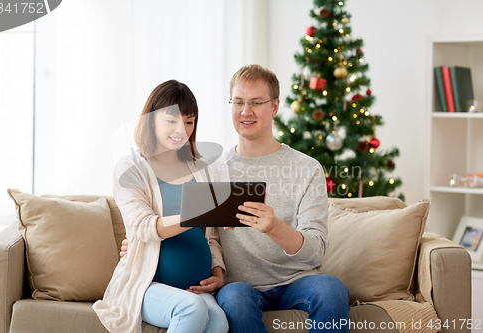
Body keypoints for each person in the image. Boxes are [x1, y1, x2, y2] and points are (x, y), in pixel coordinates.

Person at [121, 66, 350, 332]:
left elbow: (316, 251)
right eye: (239, 102)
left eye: (256, 103)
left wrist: (275, 227)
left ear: (275, 107)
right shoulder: (210, 169)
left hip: (298, 280)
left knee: (332, 290)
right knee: (235, 300)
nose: (245, 111)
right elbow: (205, 234)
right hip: (239, 286)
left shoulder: (306, 168)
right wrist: (141, 246)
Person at [93, 80, 228, 333]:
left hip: (193, 287)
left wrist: (217, 273)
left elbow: (211, 236)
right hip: (147, 285)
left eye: (189, 121)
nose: (182, 129)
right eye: (172, 120)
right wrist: (196, 212)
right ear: (151, 120)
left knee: (219, 322)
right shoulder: (130, 169)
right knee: (191, 308)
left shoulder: (201, 170)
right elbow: (143, 227)